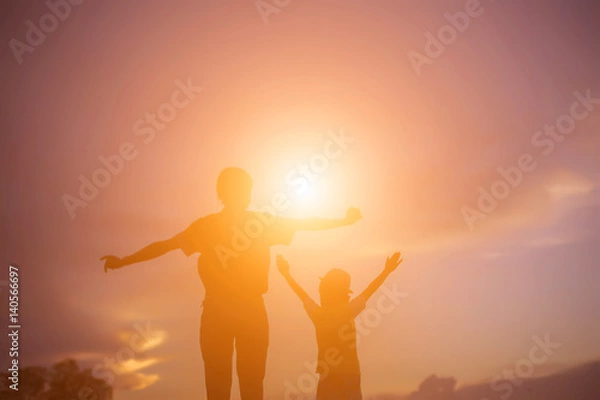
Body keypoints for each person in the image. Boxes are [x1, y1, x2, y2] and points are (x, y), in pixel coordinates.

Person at [100, 167, 361, 400]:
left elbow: (165, 246)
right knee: (237, 387)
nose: (246, 195)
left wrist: (125, 261)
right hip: (234, 312)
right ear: (233, 193)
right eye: (245, 190)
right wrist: (344, 220)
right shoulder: (250, 223)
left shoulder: (213, 226)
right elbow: (306, 225)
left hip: (231, 313)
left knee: (231, 387)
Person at [276, 251, 403, 400]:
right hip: (350, 376)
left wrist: (286, 275)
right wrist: (386, 271)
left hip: (328, 378)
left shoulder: (318, 315)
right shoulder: (347, 311)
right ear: (343, 294)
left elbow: (302, 294)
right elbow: (369, 291)